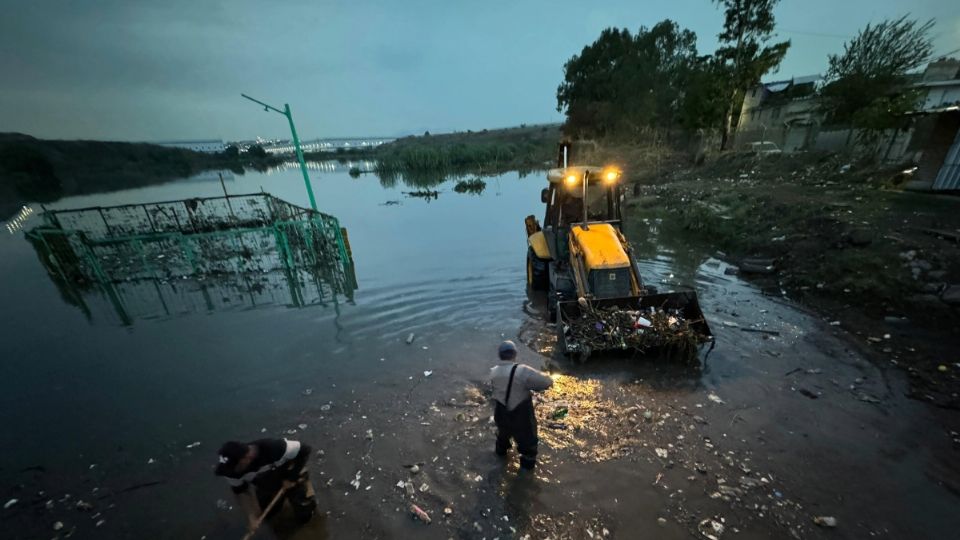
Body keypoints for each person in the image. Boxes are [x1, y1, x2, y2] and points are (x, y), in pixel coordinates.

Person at [215, 438, 317, 529]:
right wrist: (251, 517)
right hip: (266, 483)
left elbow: (305, 450)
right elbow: (241, 491)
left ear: (245, 458)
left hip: (290, 477)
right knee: (266, 515)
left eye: (233, 467)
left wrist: (291, 477)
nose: (230, 473)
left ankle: (306, 496)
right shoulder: (229, 471)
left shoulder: (273, 448)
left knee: (304, 515)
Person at [489, 340, 554, 470]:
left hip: (501, 414)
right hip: (520, 417)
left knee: (502, 439)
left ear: (500, 355)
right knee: (528, 449)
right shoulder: (522, 370)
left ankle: (498, 465)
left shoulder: (493, 371)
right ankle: (524, 479)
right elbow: (547, 382)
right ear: (514, 354)